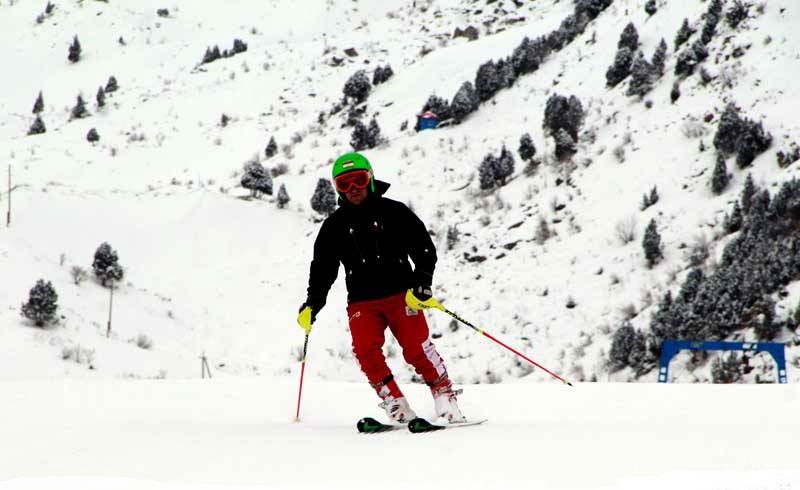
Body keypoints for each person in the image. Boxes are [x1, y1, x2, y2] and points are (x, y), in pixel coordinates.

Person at [297, 151, 465, 423]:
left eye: (359, 180)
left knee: (417, 349)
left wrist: (422, 284)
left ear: (371, 179)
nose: (353, 188)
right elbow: (322, 270)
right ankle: (395, 402)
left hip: (402, 295)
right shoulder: (333, 227)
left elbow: (424, 250)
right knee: (365, 351)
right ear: (337, 188)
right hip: (362, 302)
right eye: (344, 184)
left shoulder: (394, 212)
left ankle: (444, 395)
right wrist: (312, 304)